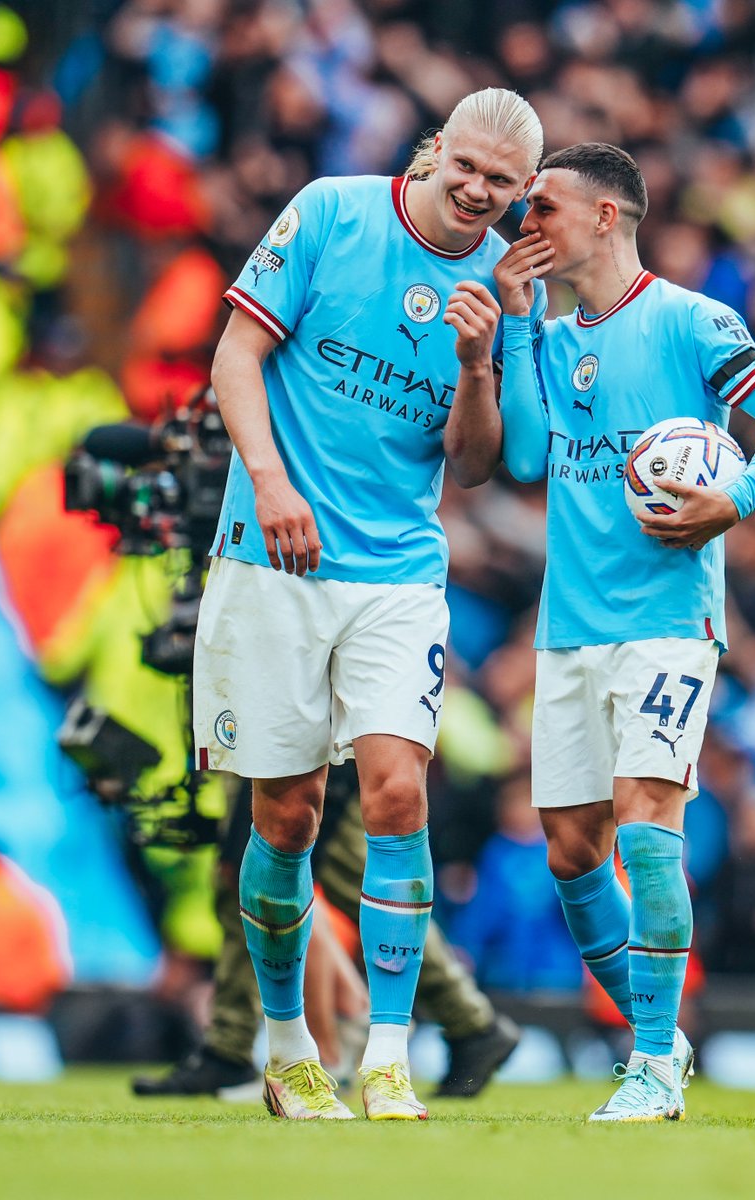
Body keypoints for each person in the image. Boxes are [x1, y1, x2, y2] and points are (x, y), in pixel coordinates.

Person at [191, 88, 544, 1121]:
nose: (478, 190)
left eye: (502, 182)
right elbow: (235, 356)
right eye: (467, 166)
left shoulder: (504, 290)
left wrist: (482, 360)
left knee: (398, 796)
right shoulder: (333, 212)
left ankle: (389, 1054)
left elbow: (481, 465)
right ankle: (291, 1048)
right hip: (275, 559)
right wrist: (268, 482)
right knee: (287, 814)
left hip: (397, 571)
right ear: (436, 149)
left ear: (523, 192)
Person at [481, 143, 755, 1120]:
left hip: (669, 619)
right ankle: (659, 1036)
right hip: (569, 624)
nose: (525, 222)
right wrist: (513, 330)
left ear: (605, 216)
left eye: (543, 206)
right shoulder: (546, 336)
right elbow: (526, 459)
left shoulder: (691, 320)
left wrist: (738, 496)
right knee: (570, 848)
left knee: (647, 823)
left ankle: (652, 1061)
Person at [132, 766, 520, 1099]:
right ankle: (241, 1045)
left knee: (297, 876)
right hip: (291, 736)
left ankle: (459, 1022)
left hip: (309, 736)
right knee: (270, 878)